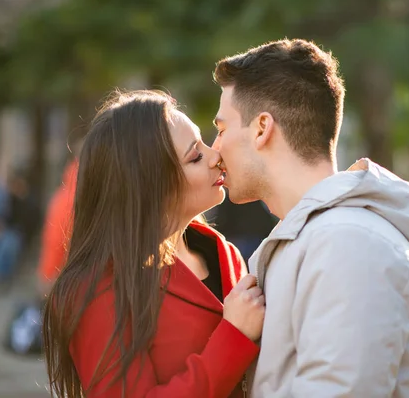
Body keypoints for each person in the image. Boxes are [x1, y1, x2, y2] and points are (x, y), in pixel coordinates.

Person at [211, 39, 409, 397]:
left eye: (222, 129)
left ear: (261, 128)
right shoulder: (317, 238)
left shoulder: (350, 243)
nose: (214, 149)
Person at [42, 90, 265, 398]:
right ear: (151, 186)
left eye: (203, 142)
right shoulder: (97, 288)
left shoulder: (223, 253)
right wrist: (234, 334)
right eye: (195, 156)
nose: (216, 156)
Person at [37, 142, 80, 298]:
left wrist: (46, 277)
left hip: (59, 281)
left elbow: (52, 242)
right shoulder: (91, 195)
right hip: (72, 285)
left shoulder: (61, 196)